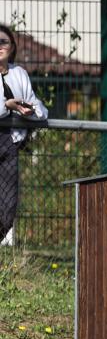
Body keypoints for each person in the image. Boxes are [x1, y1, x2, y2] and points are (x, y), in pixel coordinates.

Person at [1, 23, 48, 244]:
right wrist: (6, 106)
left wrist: (32, 111)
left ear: (11, 47)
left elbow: (36, 105)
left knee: (8, 205)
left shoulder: (19, 73)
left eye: (3, 42)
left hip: (10, 143)